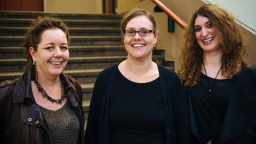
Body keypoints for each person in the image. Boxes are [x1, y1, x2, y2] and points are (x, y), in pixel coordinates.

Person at [84, 8, 192, 144]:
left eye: (144, 32)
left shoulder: (171, 81)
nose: (137, 37)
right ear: (124, 38)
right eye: (130, 32)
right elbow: (92, 134)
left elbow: (183, 135)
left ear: (155, 37)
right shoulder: (105, 79)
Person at [177, 4, 256, 144]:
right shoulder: (185, 76)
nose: (203, 33)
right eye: (197, 29)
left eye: (210, 25)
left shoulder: (249, 75)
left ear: (224, 28)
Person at [0, 16, 85, 144]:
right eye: (49, 48)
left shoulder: (73, 87)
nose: (58, 54)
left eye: (63, 47)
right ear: (33, 53)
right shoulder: (8, 95)